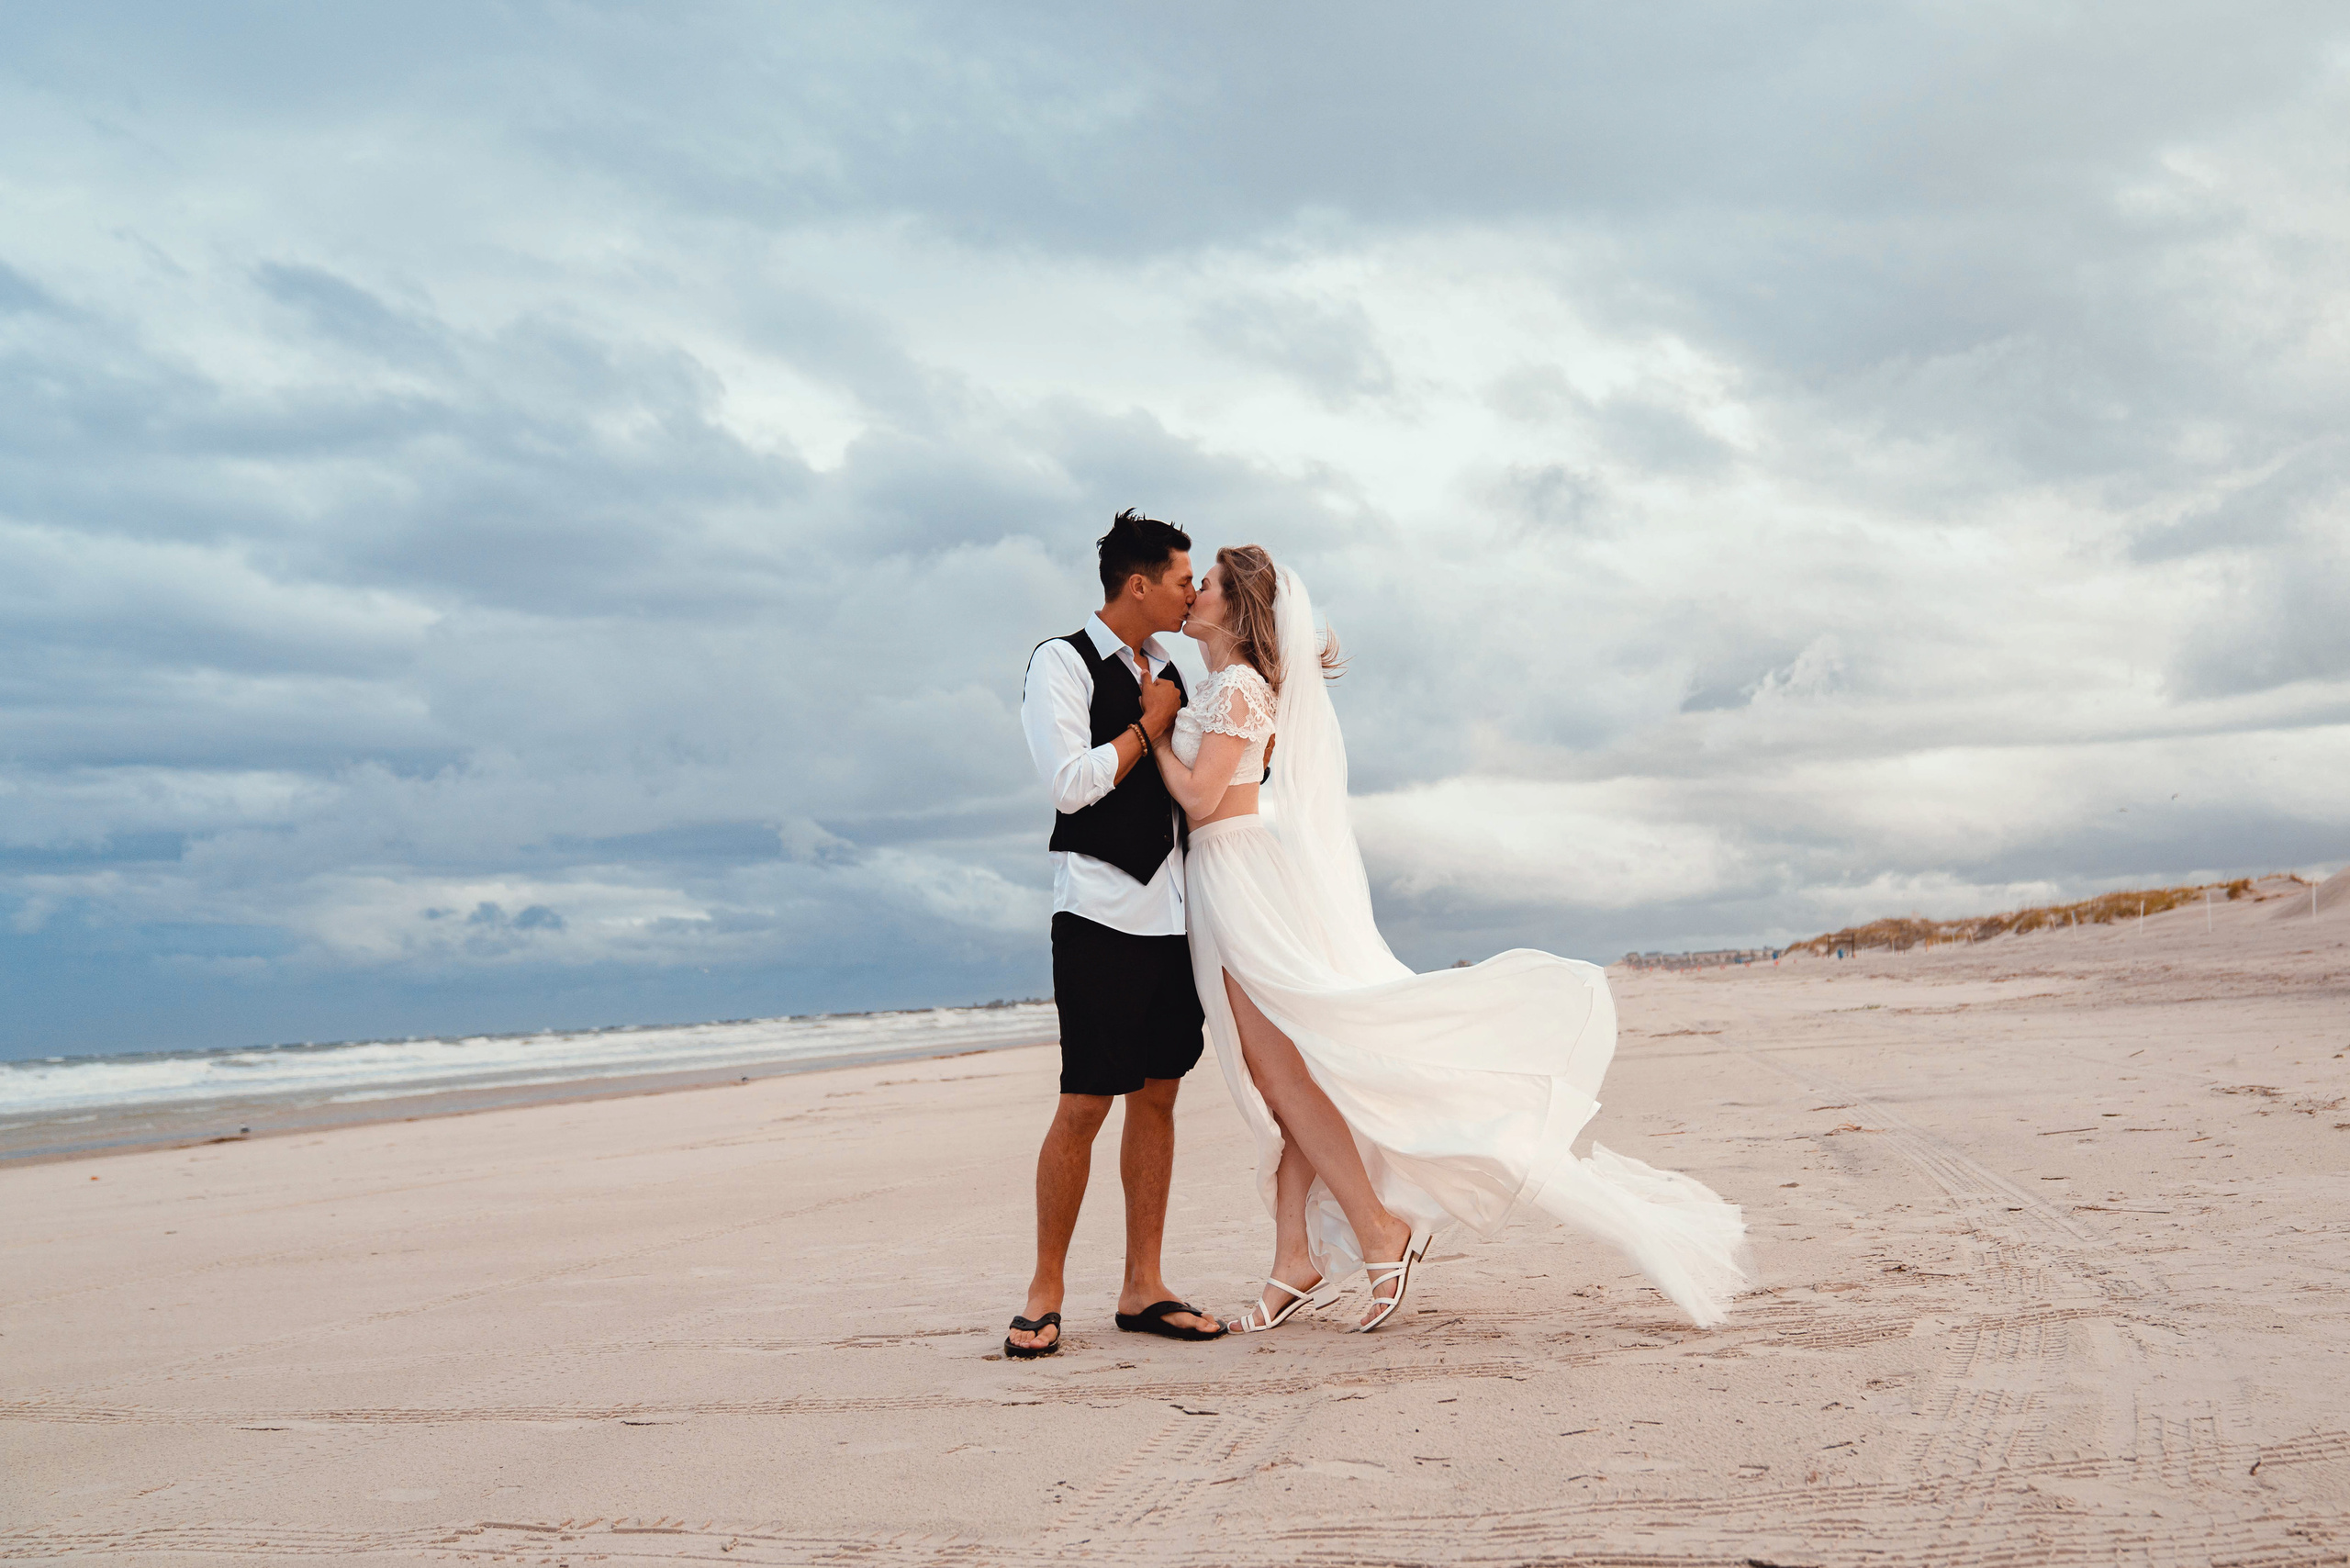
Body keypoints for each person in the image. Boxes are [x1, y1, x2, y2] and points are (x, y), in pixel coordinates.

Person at [1147, 546, 1751, 1333]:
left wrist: (1156, 735)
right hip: (1231, 879)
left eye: (1210, 587)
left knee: (1286, 1076)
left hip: (1240, 880)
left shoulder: (1237, 687)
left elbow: (1198, 797)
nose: (1194, 594)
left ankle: (1374, 1229)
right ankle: (1295, 1253)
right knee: (1285, 1077)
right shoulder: (1221, 684)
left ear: (1237, 609)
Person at [1003, 510, 1229, 1359]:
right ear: (1138, 584)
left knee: (1160, 1097)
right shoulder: (1058, 662)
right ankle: (1045, 1290)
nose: (1188, 593)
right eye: (1181, 580)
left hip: (1176, 917)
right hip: (1099, 913)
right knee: (1084, 1102)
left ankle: (1144, 1285)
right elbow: (1070, 785)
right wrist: (1148, 724)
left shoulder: (1176, 667)